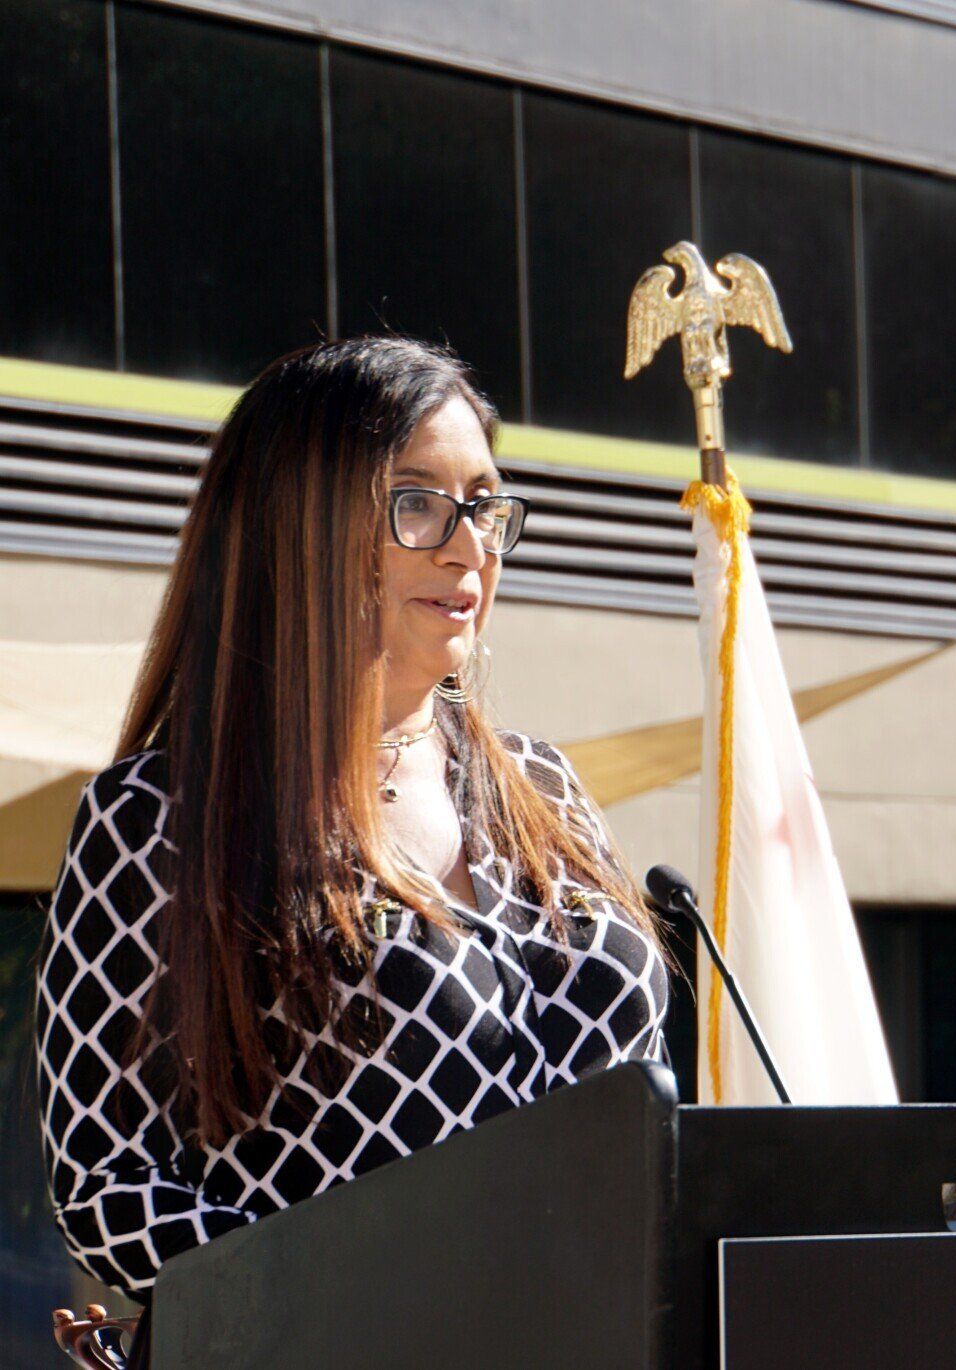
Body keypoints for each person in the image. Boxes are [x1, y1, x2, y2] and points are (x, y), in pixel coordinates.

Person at [32, 337, 672, 1339]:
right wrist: (364, 1301)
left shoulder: (546, 784)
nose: (469, 547)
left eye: (485, 505)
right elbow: (107, 1184)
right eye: (416, 501)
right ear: (299, 526)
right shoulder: (166, 817)